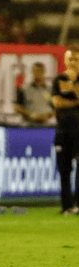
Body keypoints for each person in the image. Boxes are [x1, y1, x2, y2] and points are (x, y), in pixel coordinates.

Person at [52, 46, 79, 215]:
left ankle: (77, 204)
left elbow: (63, 102)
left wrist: (68, 96)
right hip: (63, 131)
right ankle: (66, 206)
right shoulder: (58, 79)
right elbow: (57, 103)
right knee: (64, 170)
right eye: (70, 59)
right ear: (65, 60)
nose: (73, 62)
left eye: (76, 59)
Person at [14, 63, 55, 127]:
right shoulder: (24, 89)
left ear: (43, 72)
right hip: (28, 125)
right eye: (35, 71)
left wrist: (47, 116)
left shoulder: (50, 90)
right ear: (32, 72)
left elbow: (56, 107)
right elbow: (17, 107)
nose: (37, 73)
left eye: (39, 71)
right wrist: (31, 115)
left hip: (46, 125)